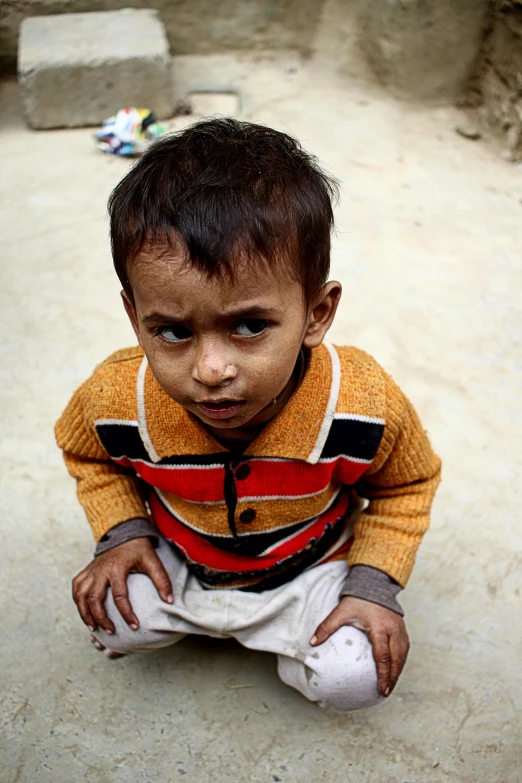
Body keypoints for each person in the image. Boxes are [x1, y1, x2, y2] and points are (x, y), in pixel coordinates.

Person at [55, 119, 441, 712]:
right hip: (179, 563)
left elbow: (407, 485)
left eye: (250, 326)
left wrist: (373, 586)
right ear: (136, 318)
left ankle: (292, 635)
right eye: (173, 331)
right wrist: (123, 532)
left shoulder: (361, 402)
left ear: (316, 312)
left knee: (354, 679)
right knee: (112, 615)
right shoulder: (116, 395)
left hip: (309, 576)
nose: (212, 369)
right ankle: (186, 613)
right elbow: (87, 454)